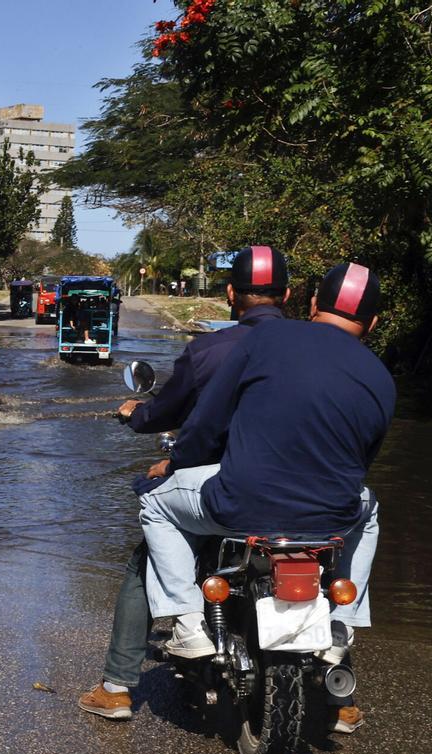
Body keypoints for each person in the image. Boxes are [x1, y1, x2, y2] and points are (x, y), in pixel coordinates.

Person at [137, 262, 394, 734]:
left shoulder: (267, 341)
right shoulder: (381, 377)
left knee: (156, 504)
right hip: (331, 517)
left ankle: (189, 623)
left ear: (312, 304)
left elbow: (209, 420)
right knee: (369, 511)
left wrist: (175, 467)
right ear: (373, 324)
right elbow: (362, 461)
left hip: (238, 504)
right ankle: (342, 624)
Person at [78, 245, 290, 721]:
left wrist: (143, 425)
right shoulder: (310, 349)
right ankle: (343, 696)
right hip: (300, 491)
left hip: (218, 487)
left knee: (144, 560)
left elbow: (188, 423)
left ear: (231, 293)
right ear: (291, 296)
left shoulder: (214, 349)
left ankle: (117, 686)